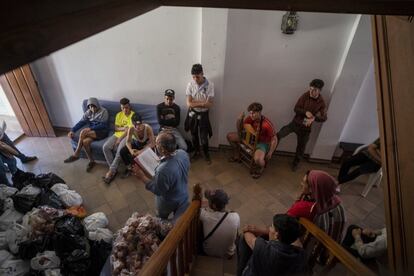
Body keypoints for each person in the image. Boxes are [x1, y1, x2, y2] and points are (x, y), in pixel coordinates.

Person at [131, 132, 190, 222]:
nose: (155, 145)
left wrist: (142, 176)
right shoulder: (183, 153)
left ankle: (162, 222)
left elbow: (158, 190)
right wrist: (163, 159)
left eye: (157, 143)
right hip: (183, 194)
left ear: (162, 150)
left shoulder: (162, 171)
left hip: (169, 201)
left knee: (161, 218)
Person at [277, 79, 327, 171]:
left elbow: (324, 118)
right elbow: (296, 108)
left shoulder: (321, 102)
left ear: (320, 91)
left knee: (301, 147)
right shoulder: (305, 95)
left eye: (314, 90)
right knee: (279, 134)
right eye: (310, 89)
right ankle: (270, 153)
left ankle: (295, 164)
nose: (311, 91)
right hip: (295, 123)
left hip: (305, 129)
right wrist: (305, 112)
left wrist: (314, 118)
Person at [237, 214, 307, 276]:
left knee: (242, 239)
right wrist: (262, 231)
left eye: (271, 227)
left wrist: (247, 229)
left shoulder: (265, 249)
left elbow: (247, 234)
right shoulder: (300, 254)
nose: (269, 228)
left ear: (277, 234)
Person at [287, 170, 345, 243]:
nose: (301, 184)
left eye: (304, 182)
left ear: (312, 189)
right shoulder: (337, 201)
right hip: (331, 240)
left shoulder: (303, 207)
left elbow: (285, 221)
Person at [227, 102, 277, 179]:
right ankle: (237, 156)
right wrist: (239, 120)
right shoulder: (250, 118)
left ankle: (262, 167)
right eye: (250, 113)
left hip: (262, 143)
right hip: (250, 138)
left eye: (253, 113)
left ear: (259, 112)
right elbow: (240, 130)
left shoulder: (266, 124)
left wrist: (270, 152)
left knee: (258, 160)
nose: (251, 115)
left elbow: (274, 138)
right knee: (230, 136)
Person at [64, 97, 109, 172]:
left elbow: (104, 125)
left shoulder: (103, 111)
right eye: (90, 107)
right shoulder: (88, 112)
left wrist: (90, 128)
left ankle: (76, 153)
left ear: (97, 105)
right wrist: (72, 130)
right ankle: (91, 161)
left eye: (94, 106)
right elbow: (81, 122)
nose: (92, 108)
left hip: (102, 131)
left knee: (83, 132)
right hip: (92, 132)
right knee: (85, 142)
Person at [185, 64, 214, 164]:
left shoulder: (210, 85)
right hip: (193, 113)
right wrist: (202, 103)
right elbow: (189, 103)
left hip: (204, 114)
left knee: (204, 137)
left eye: (197, 76)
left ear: (202, 74)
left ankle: (206, 153)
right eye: (193, 76)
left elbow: (209, 104)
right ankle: (197, 152)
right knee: (193, 134)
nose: (195, 79)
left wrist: (195, 103)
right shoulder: (190, 84)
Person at [102, 98, 135, 184]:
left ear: (129, 106)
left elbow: (129, 130)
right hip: (116, 134)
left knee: (119, 150)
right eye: (123, 108)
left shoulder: (133, 115)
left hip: (128, 136)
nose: (125, 110)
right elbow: (116, 128)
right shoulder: (118, 115)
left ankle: (111, 172)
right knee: (105, 147)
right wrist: (123, 128)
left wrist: (120, 139)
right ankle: (114, 169)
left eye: (126, 107)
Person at [200, 189, 240, 258]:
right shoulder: (235, 216)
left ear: (214, 206)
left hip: (209, 252)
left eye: (209, 200)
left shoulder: (205, 216)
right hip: (228, 254)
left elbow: (197, 208)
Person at [119, 113, 155, 177]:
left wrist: (140, 152)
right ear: (133, 124)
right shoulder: (131, 128)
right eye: (135, 125)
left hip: (146, 145)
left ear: (142, 122)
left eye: (139, 124)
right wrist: (131, 150)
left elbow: (152, 143)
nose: (137, 127)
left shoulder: (147, 128)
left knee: (152, 153)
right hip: (137, 144)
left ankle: (151, 170)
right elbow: (128, 142)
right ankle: (130, 168)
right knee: (122, 151)